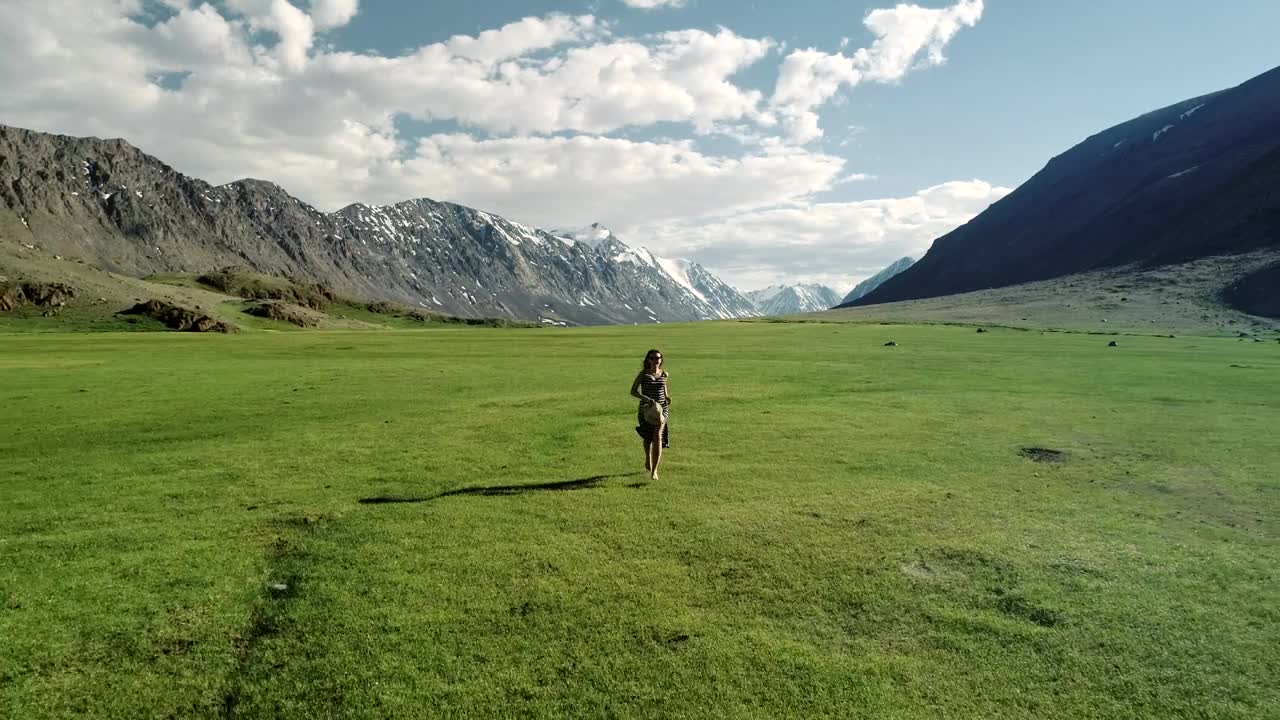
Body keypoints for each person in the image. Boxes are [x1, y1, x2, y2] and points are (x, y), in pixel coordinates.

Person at [630, 349, 671, 480]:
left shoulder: (663, 374)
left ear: (661, 360)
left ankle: (654, 470)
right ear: (648, 360)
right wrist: (646, 399)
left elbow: (664, 389)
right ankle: (648, 458)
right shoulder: (643, 374)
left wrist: (667, 397)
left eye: (658, 358)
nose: (655, 360)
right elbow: (633, 391)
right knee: (648, 438)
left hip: (662, 409)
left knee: (657, 436)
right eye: (652, 358)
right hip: (646, 410)